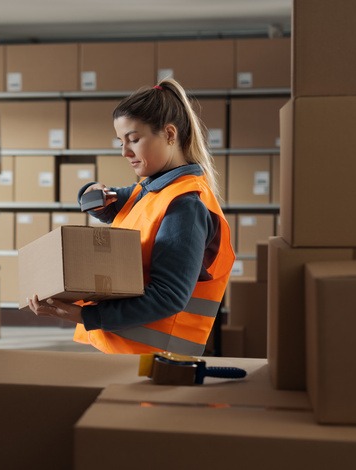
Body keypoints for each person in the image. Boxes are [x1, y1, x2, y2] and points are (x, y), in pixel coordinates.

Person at [26, 78, 235, 356]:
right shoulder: (150, 190)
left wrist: (81, 316)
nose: (125, 152)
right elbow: (110, 202)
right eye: (120, 142)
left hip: (156, 360)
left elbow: (167, 297)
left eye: (134, 140)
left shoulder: (184, 205)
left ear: (170, 135)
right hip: (127, 352)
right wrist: (90, 193)